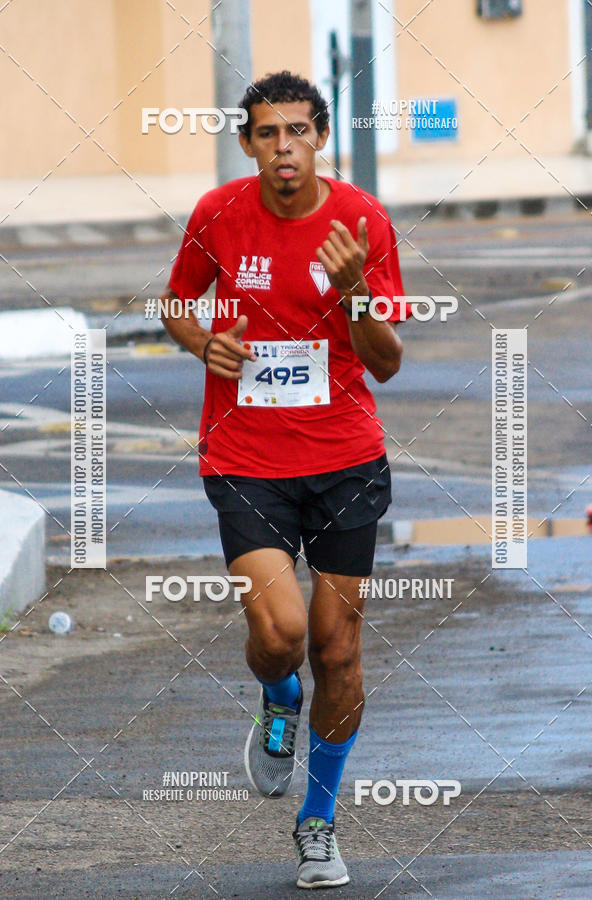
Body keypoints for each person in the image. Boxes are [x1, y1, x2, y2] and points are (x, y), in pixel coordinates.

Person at [161, 70, 409, 890]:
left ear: (320, 137)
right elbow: (177, 304)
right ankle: (277, 699)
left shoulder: (362, 221)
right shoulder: (219, 215)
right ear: (248, 144)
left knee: (339, 648)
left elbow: (388, 363)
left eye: (297, 131)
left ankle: (319, 821)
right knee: (281, 636)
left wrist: (354, 294)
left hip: (344, 457)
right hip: (245, 458)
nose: (283, 148)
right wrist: (205, 346)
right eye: (267, 134)